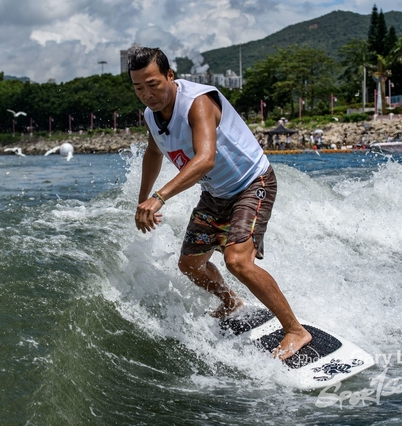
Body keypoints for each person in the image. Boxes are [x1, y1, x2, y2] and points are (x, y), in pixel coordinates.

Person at [128, 47, 311, 360]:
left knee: (237, 261)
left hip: (253, 183)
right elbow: (154, 153)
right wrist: (143, 199)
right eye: (138, 88)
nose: (147, 94)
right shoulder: (150, 115)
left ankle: (295, 329)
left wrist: (159, 198)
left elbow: (205, 159)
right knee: (190, 264)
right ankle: (230, 301)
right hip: (216, 194)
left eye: (153, 84)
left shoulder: (197, 103)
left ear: (170, 76)